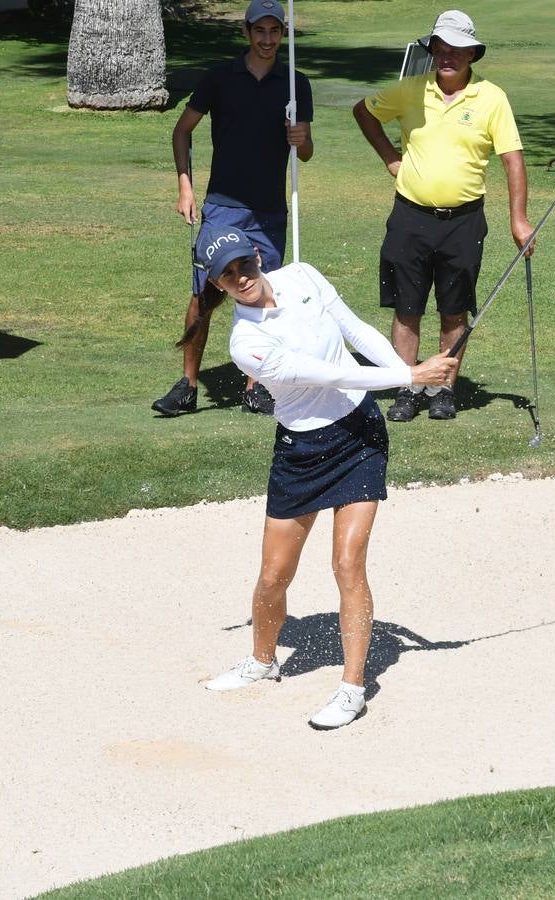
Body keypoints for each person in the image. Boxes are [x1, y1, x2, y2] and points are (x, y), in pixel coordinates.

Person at [194, 224, 459, 730]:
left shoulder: (303, 275)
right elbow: (329, 374)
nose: (241, 278)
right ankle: (262, 660)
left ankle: (352, 688)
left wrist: (413, 373)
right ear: (219, 287)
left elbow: (356, 331)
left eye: (243, 265)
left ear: (255, 255)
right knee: (274, 575)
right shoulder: (245, 343)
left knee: (347, 563)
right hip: (302, 451)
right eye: (228, 277)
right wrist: (409, 377)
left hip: (359, 435)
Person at [352, 9, 533, 422]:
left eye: (457, 50)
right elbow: (364, 111)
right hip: (410, 215)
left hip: (464, 221)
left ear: (472, 53)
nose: (448, 56)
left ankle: (443, 388)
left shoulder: (492, 98)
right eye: (441, 48)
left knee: (454, 309)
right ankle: (407, 386)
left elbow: (513, 160)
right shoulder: (410, 90)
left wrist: (518, 219)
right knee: (406, 307)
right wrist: (390, 158)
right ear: (432, 50)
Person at [152, 0, 314, 418]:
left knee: (263, 296)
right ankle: (188, 385)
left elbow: (307, 151)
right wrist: (185, 186)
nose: (266, 39)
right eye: (259, 31)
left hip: (269, 212)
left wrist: (300, 139)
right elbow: (182, 131)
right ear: (246, 32)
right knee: (204, 295)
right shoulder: (219, 78)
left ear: (283, 33)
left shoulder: (295, 83)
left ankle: (256, 387)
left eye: (274, 31)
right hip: (223, 207)